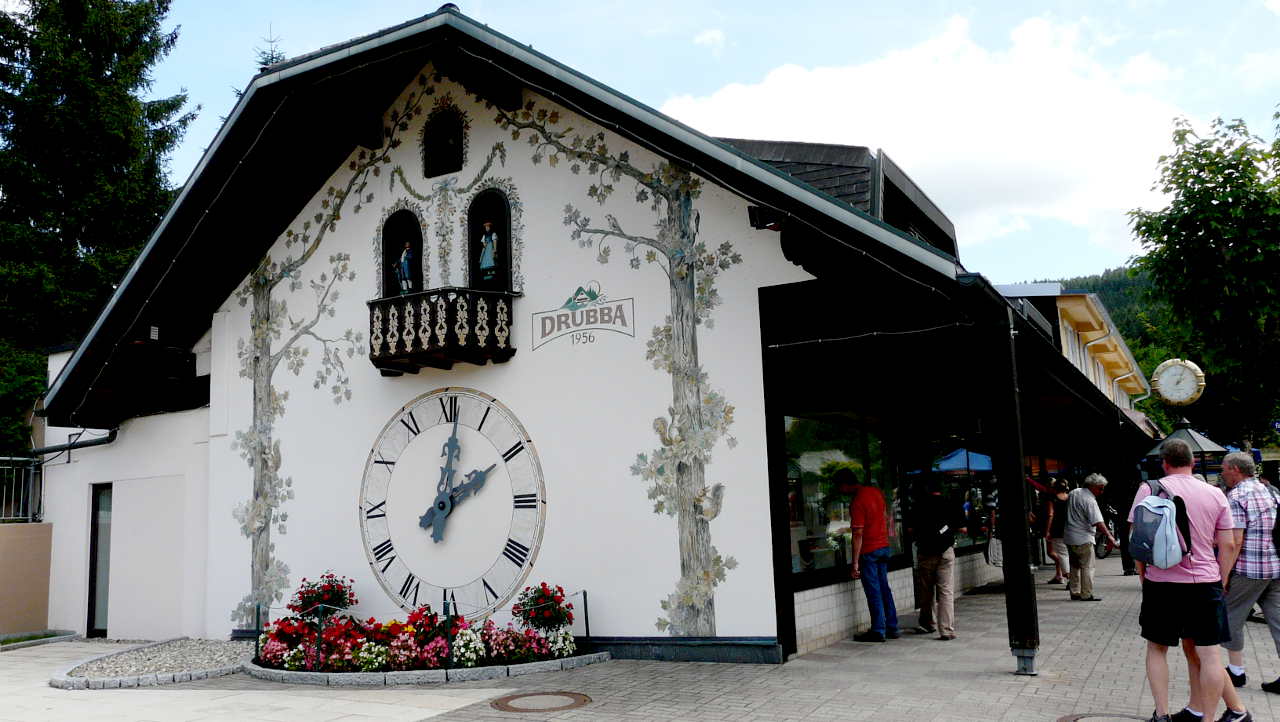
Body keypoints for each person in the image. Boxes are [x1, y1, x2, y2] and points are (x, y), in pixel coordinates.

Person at [1131, 438, 1242, 722]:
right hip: (1205, 583)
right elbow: (1228, 544)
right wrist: (1222, 578)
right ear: (1193, 463)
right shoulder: (1215, 493)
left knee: (1157, 648)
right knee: (1210, 656)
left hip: (1161, 583)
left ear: (1164, 463)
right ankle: (1208, 719)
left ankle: (1162, 714)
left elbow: (1137, 540)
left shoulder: (1149, 489)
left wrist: (1144, 577)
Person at [1218, 451, 1280, 699]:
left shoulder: (1237, 496)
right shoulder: (1270, 491)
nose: (1222, 472)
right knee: (1277, 620)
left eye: (1224, 468)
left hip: (1249, 568)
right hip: (1275, 565)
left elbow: (1235, 540)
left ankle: (1236, 671)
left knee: (1232, 614)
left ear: (1235, 469)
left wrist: (1223, 576)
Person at [839, 467, 899, 643]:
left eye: (839, 487)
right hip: (883, 547)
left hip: (869, 550)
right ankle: (892, 626)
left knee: (873, 591)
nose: (839, 491)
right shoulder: (875, 492)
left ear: (844, 485)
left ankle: (878, 630)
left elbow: (857, 534)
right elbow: (885, 517)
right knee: (884, 588)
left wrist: (855, 563)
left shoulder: (857, 502)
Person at [908, 476, 966, 640]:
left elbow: (911, 530)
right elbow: (962, 529)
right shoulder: (950, 503)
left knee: (926, 590)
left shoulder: (918, 505)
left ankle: (928, 623)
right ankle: (946, 630)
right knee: (946, 591)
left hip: (925, 552)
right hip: (945, 552)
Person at [1065, 474, 1119, 601]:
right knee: (1087, 566)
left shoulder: (1074, 492)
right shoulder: (1090, 500)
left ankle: (1075, 591)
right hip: (1083, 537)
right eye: (1100, 488)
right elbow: (1098, 522)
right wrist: (1110, 537)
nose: (1101, 491)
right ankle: (1086, 594)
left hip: (1069, 536)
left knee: (1074, 565)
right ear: (1092, 486)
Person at [1044, 479, 1071, 585]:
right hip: (1070, 528)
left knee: (1063, 555)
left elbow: (1051, 514)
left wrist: (1047, 531)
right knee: (1069, 554)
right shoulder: (1070, 498)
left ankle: (1070, 578)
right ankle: (1070, 577)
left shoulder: (1053, 498)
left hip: (1057, 530)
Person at [477, 220, 499, 286]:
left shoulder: (493, 234)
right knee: (485, 260)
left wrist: (494, 249)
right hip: (486, 249)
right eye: (486, 227)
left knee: (491, 260)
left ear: (490, 227)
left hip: (490, 248)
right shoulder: (485, 235)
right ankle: (487, 275)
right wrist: (484, 244)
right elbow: (483, 242)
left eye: (488, 227)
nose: (487, 228)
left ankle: (492, 273)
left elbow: (495, 241)